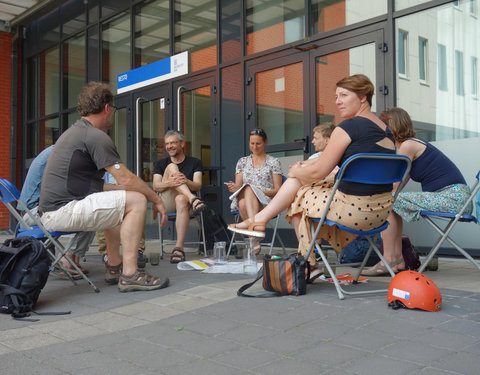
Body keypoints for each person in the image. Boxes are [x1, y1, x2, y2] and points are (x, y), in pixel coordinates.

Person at [229, 74, 396, 278]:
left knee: (299, 197)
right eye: (336, 96)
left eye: (344, 95)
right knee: (304, 188)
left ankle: (306, 260)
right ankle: (263, 222)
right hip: (381, 213)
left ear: (363, 97)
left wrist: (297, 170)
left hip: (354, 211)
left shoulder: (348, 127)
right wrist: (304, 170)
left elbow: (318, 171)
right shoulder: (385, 131)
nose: (337, 101)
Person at [39, 81, 169, 292]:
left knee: (119, 199)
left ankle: (115, 266)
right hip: (61, 211)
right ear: (107, 108)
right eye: (114, 109)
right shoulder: (95, 136)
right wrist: (156, 199)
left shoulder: (76, 132)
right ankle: (130, 274)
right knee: (137, 200)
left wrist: (123, 190)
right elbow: (126, 178)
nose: (113, 114)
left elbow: (98, 187)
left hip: (54, 209)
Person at [362, 107, 472, 276]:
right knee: (390, 201)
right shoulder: (412, 144)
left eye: (382, 128)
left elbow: (394, 187)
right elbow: (396, 187)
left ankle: (391, 260)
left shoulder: (408, 145)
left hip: (453, 198)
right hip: (456, 197)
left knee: (387, 201)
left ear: (391, 128)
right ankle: (395, 260)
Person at [18, 144, 95, 279]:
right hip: (35, 212)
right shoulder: (60, 155)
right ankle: (66, 259)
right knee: (89, 215)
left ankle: (72, 260)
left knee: (85, 211)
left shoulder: (54, 151)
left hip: (32, 211)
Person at [225, 128, 282, 254]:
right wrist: (234, 188)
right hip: (245, 198)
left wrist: (260, 192)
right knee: (246, 194)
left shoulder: (273, 162)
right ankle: (254, 233)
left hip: (265, 201)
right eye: (252, 143)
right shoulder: (242, 162)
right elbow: (239, 187)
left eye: (258, 143)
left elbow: (278, 190)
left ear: (265, 142)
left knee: (248, 194)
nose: (255, 147)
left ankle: (252, 237)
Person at [152, 130, 206, 264]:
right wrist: (170, 182)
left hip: (185, 204)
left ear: (182, 144)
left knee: (181, 199)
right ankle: (193, 199)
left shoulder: (195, 162)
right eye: (167, 144)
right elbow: (156, 186)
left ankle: (179, 248)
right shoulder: (161, 164)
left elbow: (198, 185)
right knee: (172, 167)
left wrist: (186, 181)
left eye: (172, 143)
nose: (169, 146)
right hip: (169, 202)